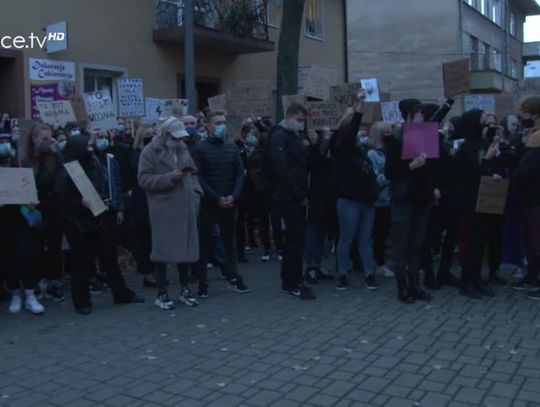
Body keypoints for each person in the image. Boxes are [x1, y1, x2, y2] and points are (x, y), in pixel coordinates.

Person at [54, 135, 144, 314]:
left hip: (98, 218)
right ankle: (82, 301)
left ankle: (121, 294)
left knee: (110, 258)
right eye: (86, 146)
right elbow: (60, 198)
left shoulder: (94, 163)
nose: (90, 148)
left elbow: (100, 185)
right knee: (81, 263)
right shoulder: (67, 171)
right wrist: (80, 203)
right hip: (78, 223)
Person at [138, 117, 203, 309]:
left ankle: (184, 289)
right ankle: (162, 293)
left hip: (186, 206)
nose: (178, 140)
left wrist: (196, 193)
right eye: (175, 137)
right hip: (163, 209)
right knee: (163, 252)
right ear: (165, 134)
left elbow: (194, 173)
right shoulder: (149, 152)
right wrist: (169, 178)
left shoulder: (182, 149)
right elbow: (144, 179)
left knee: (185, 249)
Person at [191, 111, 250, 297]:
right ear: (208, 126)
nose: (221, 126)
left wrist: (234, 196)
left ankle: (234, 277)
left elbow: (240, 173)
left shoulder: (231, 148)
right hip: (209, 204)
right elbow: (198, 177)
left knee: (229, 242)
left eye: (223, 122)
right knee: (204, 244)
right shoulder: (200, 149)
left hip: (230, 202)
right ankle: (202, 283)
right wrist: (216, 198)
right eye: (217, 123)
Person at [385, 99, 436, 303]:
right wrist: (410, 167)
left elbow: (431, 168)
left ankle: (415, 285)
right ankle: (402, 287)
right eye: (416, 112)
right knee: (401, 245)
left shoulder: (427, 135)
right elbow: (391, 172)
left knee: (417, 244)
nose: (420, 116)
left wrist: (433, 188)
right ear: (407, 114)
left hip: (421, 198)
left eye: (421, 112)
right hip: (403, 199)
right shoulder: (396, 139)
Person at [453, 109, 505, 299]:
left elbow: (484, 170)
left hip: (482, 197)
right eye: (482, 121)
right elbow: (469, 174)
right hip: (469, 199)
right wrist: (486, 159)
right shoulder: (466, 147)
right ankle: (467, 281)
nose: (486, 125)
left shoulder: (481, 143)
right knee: (472, 242)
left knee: (480, 241)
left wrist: (494, 173)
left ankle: (476, 279)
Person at [267, 103, 315, 299]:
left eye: (303, 121)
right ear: (289, 117)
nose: (301, 124)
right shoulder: (279, 136)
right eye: (299, 120)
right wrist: (299, 195)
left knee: (296, 241)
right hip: (289, 197)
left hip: (294, 195)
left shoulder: (293, 137)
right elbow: (283, 169)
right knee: (295, 241)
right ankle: (292, 282)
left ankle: (292, 278)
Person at [333, 93, 379, 291]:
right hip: (349, 201)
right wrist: (358, 108)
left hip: (367, 201)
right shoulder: (342, 150)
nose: (361, 133)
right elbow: (350, 131)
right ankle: (342, 273)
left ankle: (369, 272)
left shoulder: (362, 153)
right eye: (357, 130)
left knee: (365, 239)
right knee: (347, 238)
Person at [19, 123, 65, 301]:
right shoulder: (26, 159)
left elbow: (60, 176)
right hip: (33, 206)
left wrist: (55, 153)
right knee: (36, 246)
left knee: (54, 244)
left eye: (50, 138)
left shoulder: (53, 156)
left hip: (52, 206)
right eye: (44, 138)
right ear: (34, 139)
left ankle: (54, 280)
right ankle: (37, 281)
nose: (48, 142)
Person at [1, 129, 45, 314]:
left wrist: (32, 200)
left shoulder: (19, 164)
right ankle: (15, 294)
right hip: (3, 221)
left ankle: (30, 294)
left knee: (28, 255)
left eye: (6, 142)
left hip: (23, 218)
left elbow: (31, 186)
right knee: (8, 257)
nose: (4, 145)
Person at [513, 96, 540, 298]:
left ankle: (534, 279)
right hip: (531, 196)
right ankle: (531, 276)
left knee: (535, 241)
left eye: (523, 112)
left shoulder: (537, 136)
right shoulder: (532, 133)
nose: (521, 116)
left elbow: (527, 169)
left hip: (534, 197)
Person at [304, 128, 335, 284]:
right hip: (314, 199)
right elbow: (313, 165)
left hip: (326, 199)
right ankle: (311, 266)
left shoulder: (329, 160)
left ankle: (318, 265)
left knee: (321, 234)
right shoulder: (312, 154)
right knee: (313, 233)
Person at [130, 125, 157, 287]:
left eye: (153, 134)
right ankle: (148, 273)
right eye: (148, 134)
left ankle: (155, 271)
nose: (152, 137)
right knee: (144, 240)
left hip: (155, 201)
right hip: (142, 203)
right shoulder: (136, 155)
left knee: (154, 240)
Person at [368, 122, 394, 279]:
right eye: (387, 132)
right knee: (378, 234)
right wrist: (391, 176)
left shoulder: (390, 152)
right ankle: (379, 263)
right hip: (379, 201)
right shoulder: (372, 155)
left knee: (385, 233)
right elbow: (375, 178)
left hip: (390, 199)